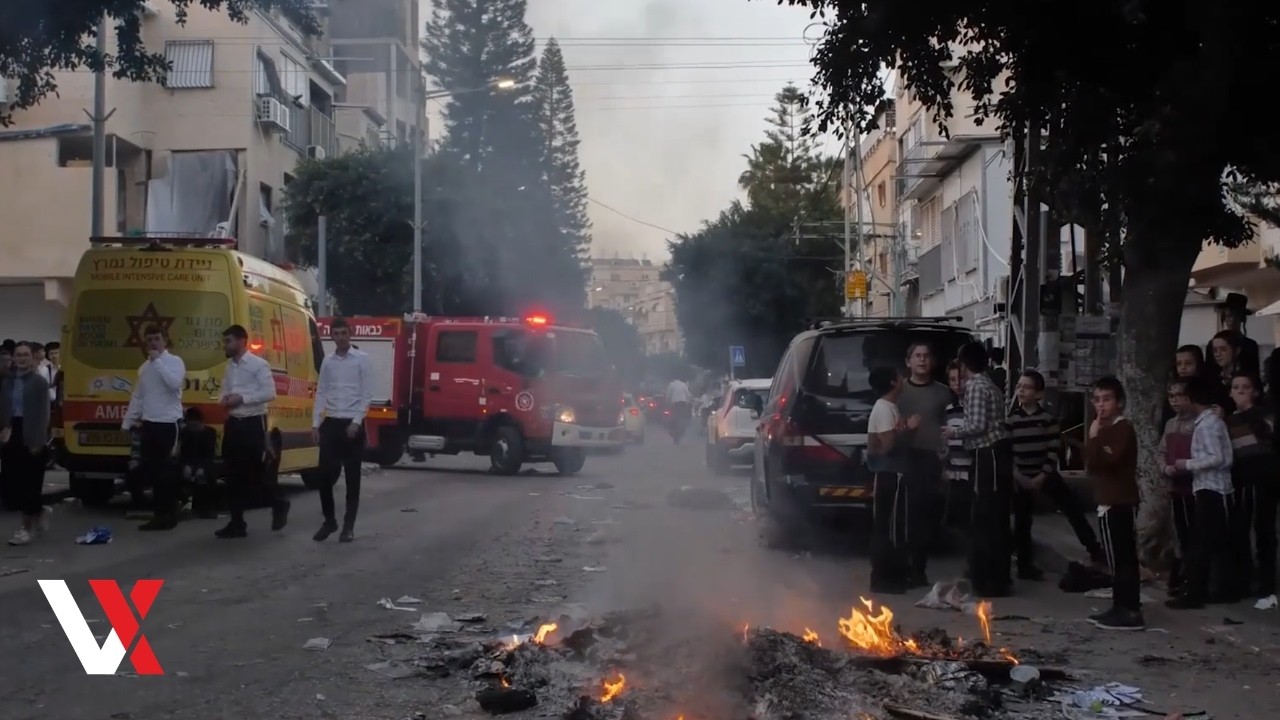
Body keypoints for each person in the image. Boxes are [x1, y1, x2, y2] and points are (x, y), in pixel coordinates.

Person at [1008, 370, 1104, 580]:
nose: (1021, 390)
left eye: (1027, 387)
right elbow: (1009, 450)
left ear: (1039, 394)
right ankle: (1025, 565)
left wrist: (1043, 475)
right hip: (1021, 476)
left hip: (1046, 474)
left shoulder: (1047, 420)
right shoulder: (1011, 419)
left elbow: (1053, 450)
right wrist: (1018, 476)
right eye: (1019, 386)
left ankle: (1095, 550)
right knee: (1023, 521)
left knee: (1071, 508)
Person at [943, 342, 1013, 597]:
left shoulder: (975, 386)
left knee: (986, 516)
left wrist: (954, 431)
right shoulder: (989, 384)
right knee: (994, 516)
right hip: (994, 453)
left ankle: (988, 579)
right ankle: (996, 576)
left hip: (988, 453)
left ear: (964, 364)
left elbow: (977, 425)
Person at [1167, 375, 1237, 609]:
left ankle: (1195, 592)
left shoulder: (1207, 425)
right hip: (1211, 488)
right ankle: (1217, 589)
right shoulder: (1210, 423)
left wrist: (1186, 464)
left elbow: (1217, 457)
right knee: (1213, 542)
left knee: (1202, 543)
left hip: (1211, 488)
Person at [1082, 376, 1144, 630]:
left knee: (1121, 559)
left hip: (1117, 500)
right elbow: (1091, 463)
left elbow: (1106, 460)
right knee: (1118, 558)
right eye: (1097, 400)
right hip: (1109, 497)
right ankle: (1122, 606)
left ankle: (1127, 609)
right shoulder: (1107, 429)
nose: (1101, 406)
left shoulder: (1121, 428)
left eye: (1106, 399)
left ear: (1119, 402)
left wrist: (1094, 439)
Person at [215, 324, 287, 538]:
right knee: (232, 474)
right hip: (234, 423)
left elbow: (269, 392)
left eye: (229, 341)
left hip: (252, 423)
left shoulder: (258, 365)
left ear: (241, 341)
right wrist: (225, 400)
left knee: (254, 474)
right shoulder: (230, 368)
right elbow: (224, 391)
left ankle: (278, 503)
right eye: (225, 341)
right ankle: (237, 523)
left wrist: (242, 398)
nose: (226, 346)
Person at [895, 342, 952, 586]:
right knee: (907, 516)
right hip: (907, 457)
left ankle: (920, 566)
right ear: (908, 362)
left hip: (933, 459)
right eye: (917, 356)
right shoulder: (899, 392)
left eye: (926, 356)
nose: (922, 360)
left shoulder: (943, 393)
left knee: (928, 517)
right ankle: (908, 567)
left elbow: (952, 424)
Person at [120, 324, 186, 531]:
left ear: (164, 341)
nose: (153, 343)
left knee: (166, 471)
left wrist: (157, 361)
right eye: (149, 340)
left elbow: (174, 384)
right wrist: (127, 422)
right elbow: (138, 396)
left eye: (157, 339)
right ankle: (159, 514)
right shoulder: (144, 368)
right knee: (153, 472)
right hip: (149, 423)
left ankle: (170, 513)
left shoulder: (174, 362)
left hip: (168, 423)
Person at [312, 317, 372, 543]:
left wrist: (357, 421)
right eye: (336, 334)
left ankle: (349, 526)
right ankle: (329, 520)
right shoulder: (328, 361)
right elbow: (321, 393)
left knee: (352, 477)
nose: (340, 338)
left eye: (343, 333)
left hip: (352, 424)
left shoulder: (361, 360)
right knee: (323, 475)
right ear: (331, 336)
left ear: (350, 333)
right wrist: (315, 424)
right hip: (332, 423)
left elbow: (367, 394)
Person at [866, 366, 920, 594]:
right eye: (900, 376)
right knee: (887, 527)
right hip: (890, 476)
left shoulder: (890, 408)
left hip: (894, 474)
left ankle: (894, 575)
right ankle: (885, 578)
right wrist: (908, 427)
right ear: (893, 382)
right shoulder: (884, 409)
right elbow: (886, 445)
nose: (904, 379)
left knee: (894, 526)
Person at [1224, 373, 1276, 603]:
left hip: (1263, 479)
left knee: (1263, 530)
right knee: (1241, 531)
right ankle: (1244, 579)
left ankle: (1266, 581)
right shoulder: (1229, 420)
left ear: (1255, 392)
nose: (1240, 391)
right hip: (1241, 480)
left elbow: (1269, 440)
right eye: (1236, 387)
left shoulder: (1263, 415)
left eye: (1246, 387)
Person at [1, 343, 52, 546]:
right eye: (18, 355)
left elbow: (43, 413)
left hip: (32, 431)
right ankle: (39, 509)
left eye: (25, 355)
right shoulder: (8, 382)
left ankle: (26, 528)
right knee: (12, 484)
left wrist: (38, 440)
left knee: (30, 483)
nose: (21, 358)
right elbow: (4, 407)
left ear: (33, 358)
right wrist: (4, 427)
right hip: (11, 431)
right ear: (13, 358)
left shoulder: (39, 382)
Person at [1159, 379, 1197, 596]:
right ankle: (1180, 575)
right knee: (1180, 532)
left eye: (1179, 395)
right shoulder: (1170, 424)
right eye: (1171, 396)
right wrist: (1165, 468)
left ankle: (1189, 576)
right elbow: (1162, 451)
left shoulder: (1197, 424)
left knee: (1193, 533)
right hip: (1176, 485)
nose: (1175, 400)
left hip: (1194, 485)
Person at [941, 361, 972, 527]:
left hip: (973, 473)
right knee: (956, 522)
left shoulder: (975, 407)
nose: (957, 383)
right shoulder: (949, 409)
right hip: (954, 474)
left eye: (960, 378)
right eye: (952, 380)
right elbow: (947, 442)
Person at [1206, 293, 1260, 379]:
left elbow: (1254, 373)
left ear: (1241, 318)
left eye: (1236, 316)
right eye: (1228, 316)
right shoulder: (1213, 344)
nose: (1231, 320)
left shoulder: (1250, 345)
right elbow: (1209, 372)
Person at [179, 407, 219, 520]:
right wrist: (186, 465)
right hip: (189, 462)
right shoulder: (185, 433)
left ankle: (207, 508)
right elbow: (184, 453)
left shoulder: (210, 433)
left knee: (208, 475)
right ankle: (184, 506)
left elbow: (209, 454)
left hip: (204, 462)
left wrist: (201, 468)